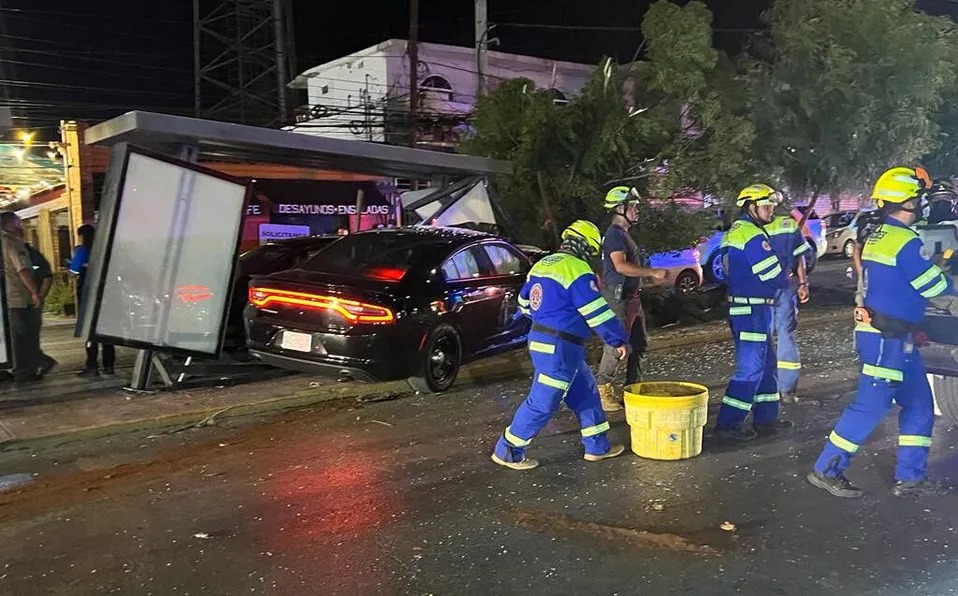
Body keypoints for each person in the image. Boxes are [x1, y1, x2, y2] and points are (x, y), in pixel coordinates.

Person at [808, 167, 958, 498]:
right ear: (906, 201)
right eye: (918, 198)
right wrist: (949, 276)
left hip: (898, 336)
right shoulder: (905, 241)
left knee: (919, 405)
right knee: (870, 407)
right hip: (884, 340)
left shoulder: (880, 235)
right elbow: (930, 284)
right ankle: (826, 469)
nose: (922, 204)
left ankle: (911, 478)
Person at [492, 220, 631, 470]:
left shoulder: (541, 265)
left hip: (548, 341)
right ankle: (508, 450)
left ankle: (597, 447)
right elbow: (596, 312)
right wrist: (617, 339)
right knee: (543, 401)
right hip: (560, 347)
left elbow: (525, 305)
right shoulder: (576, 269)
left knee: (586, 393)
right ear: (586, 247)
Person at [714, 184, 790, 442]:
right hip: (753, 309)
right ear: (751, 206)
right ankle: (728, 424)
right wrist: (786, 278)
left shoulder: (738, 231)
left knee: (767, 364)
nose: (771, 210)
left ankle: (767, 419)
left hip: (749, 307)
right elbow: (771, 273)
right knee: (752, 368)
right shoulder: (752, 234)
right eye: (766, 206)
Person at [596, 186, 669, 412]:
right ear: (620, 208)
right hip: (619, 299)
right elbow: (620, 266)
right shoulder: (614, 235)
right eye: (633, 206)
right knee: (616, 345)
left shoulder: (623, 234)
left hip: (631, 299)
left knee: (640, 345)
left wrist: (645, 281)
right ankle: (602, 390)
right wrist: (651, 272)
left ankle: (633, 389)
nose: (637, 210)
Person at [764, 206, 811, 403]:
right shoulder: (789, 225)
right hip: (785, 288)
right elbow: (800, 258)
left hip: (763, 289)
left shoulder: (752, 228)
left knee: (764, 337)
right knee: (785, 335)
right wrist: (802, 283)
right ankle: (786, 390)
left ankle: (765, 390)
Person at [0, 212, 43, 383]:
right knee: (23, 336)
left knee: (13, 336)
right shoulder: (12, 243)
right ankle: (24, 372)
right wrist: (34, 292)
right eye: (18, 222)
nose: (21, 225)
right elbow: (23, 270)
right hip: (18, 297)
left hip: (7, 297)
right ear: (9, 224)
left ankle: (12, 368)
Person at [69, 224, 115, 376]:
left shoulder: (82, 251)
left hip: (88, 296)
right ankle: (109, 366)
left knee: (91, 333)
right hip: (106, 295)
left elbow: (74, 271)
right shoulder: (104, 248)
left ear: (82, 236)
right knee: (107, 333)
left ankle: (92, 366)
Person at [23, 240, 57, 376]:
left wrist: (39, 296)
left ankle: (41, 361)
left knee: (27, 335)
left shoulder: (32, 255)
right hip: (24, 301)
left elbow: (46, 277)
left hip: (30, 302)